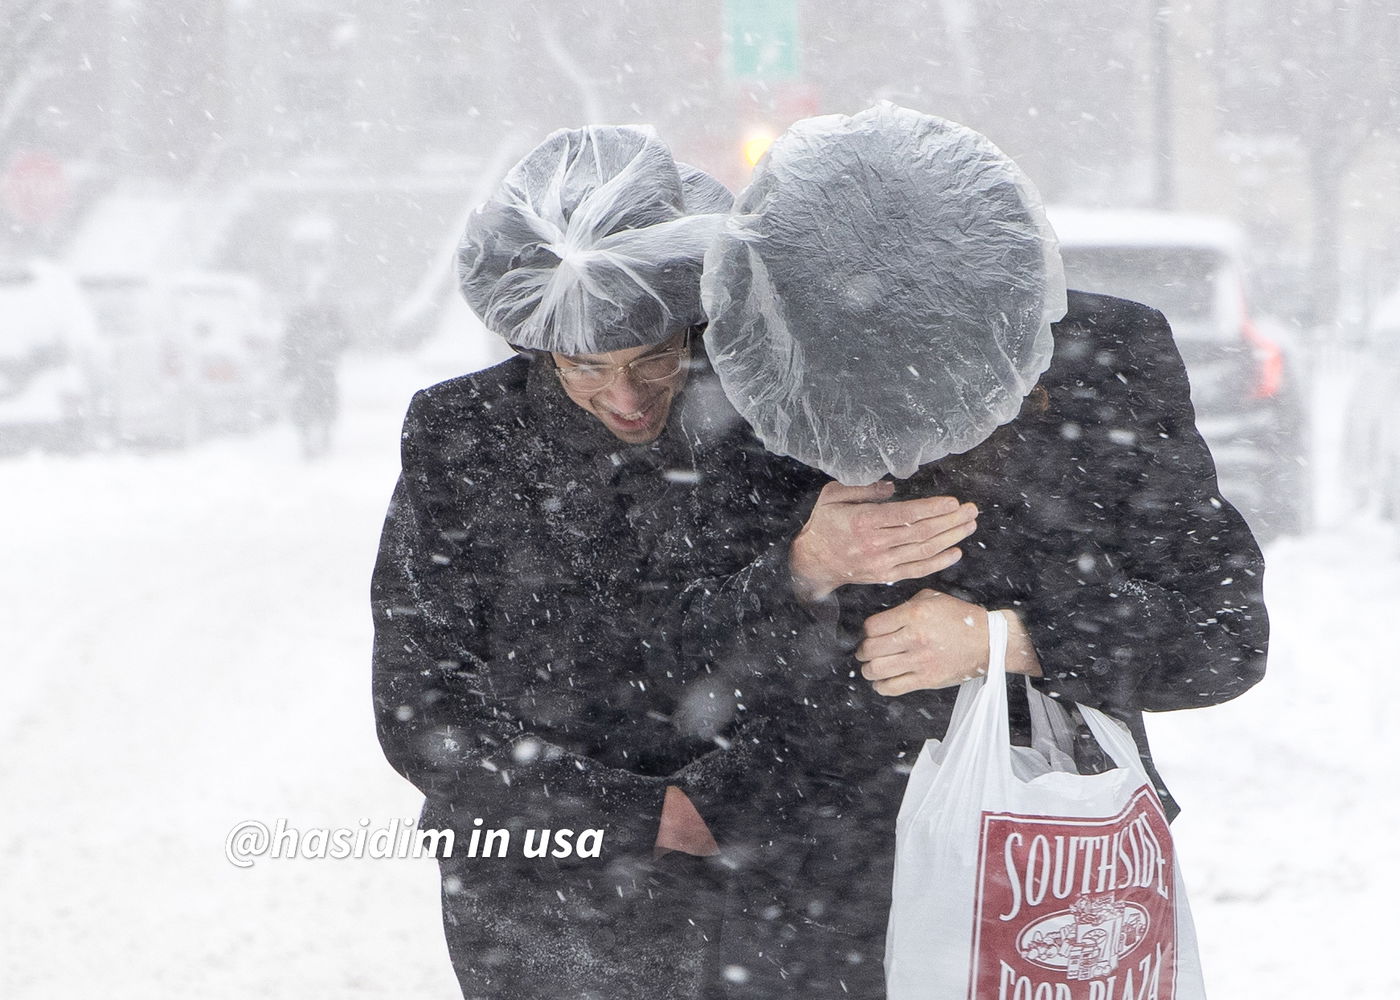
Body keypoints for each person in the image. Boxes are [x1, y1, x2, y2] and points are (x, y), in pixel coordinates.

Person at [683, 105, 1270, 996]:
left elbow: (1224, 636)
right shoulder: (746, 371)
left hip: (1043, 865)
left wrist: (1010, 638)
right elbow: (663, 649)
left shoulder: (1104, 358)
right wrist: (803, 567)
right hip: (804, 890)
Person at [370, 125, 831, 1000]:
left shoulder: (772, 432)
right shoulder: (462, 435)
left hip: (760, 870)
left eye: (652, 356)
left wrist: (727, 800)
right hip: (540, 881)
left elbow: (824, 655)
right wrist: (628, 814)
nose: (625, 397)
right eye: (588, 364)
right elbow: (418, 695)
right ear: (534, 338)